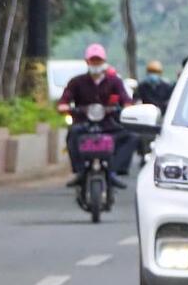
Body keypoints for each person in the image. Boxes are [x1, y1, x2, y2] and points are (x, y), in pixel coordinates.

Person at [58, 43, 137, 189]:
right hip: (83, 123)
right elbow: (64, 100)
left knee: (131, 136)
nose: (95, 64)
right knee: (72, 135)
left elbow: (126, 100)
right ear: (87, 62)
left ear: (104, 61)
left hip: (108, 123)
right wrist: (64, 106)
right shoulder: (76, 82)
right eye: (92, 61)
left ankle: (114, 171)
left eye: (98, 61)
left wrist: (127, 107)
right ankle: (79, 171)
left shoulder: (115, 81)